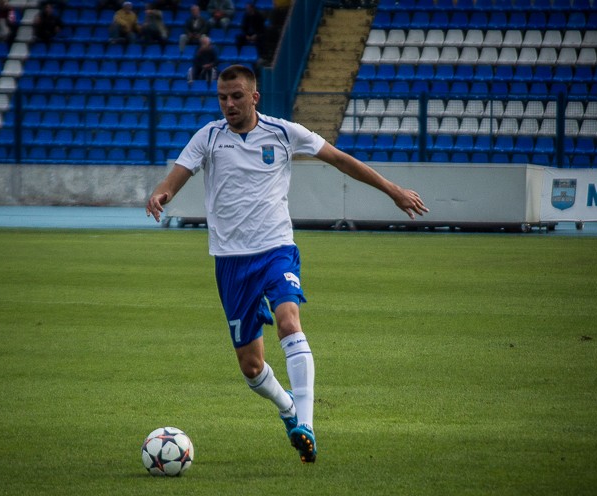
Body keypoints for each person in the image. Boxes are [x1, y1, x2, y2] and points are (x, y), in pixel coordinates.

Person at [144, 65, 427, 464]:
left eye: (237, 96)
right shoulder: (208, 137)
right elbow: (175, 178)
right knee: (251, 366)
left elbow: (340, 159)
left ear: (254, 97)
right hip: (230, 261)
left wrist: (393, 191)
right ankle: (288, 407)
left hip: (276, 249)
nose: (229, 104)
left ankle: (307, 427)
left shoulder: (282, 132)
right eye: (223, 97)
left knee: (289, 320)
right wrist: (161, 196)